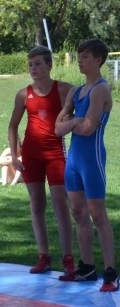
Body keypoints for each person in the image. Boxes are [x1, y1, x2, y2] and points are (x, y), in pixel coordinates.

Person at [55, 38, 118, 292]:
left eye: (84, 57)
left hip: (91, 159)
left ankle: (111, 272)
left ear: (98, 60)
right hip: (74, 161)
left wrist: (73, 121)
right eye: (79, 56)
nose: (79, 61)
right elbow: (58, 128)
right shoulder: (74, 91)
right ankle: (87, 266)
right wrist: (75, 121)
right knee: (78, 213)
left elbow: (90, 128)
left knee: (97, 214)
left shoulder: (101, 89)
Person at [7, 45, 75, 274]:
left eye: (37, 64)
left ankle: (68, 258)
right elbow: (13, 125)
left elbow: (83, 109)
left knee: (60, 205)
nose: (33, 68)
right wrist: (14, 153)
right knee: (36, 204)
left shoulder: (65, 90)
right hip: (31, 155)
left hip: (55, 154)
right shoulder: (23, 94)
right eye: (30, 64)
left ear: (49, 65)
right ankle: (43, 256)